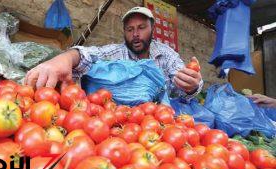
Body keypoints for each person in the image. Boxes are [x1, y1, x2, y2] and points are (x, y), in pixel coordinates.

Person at [25, 6, 203, 100]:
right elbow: (88, 54)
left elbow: (181, 86)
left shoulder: (167, 55)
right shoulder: (116, 51)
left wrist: (191, 85)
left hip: (157, 124)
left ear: (153, 29)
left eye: (141, 28)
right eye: (129, 29)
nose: (135, 34)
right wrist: (64, 58)